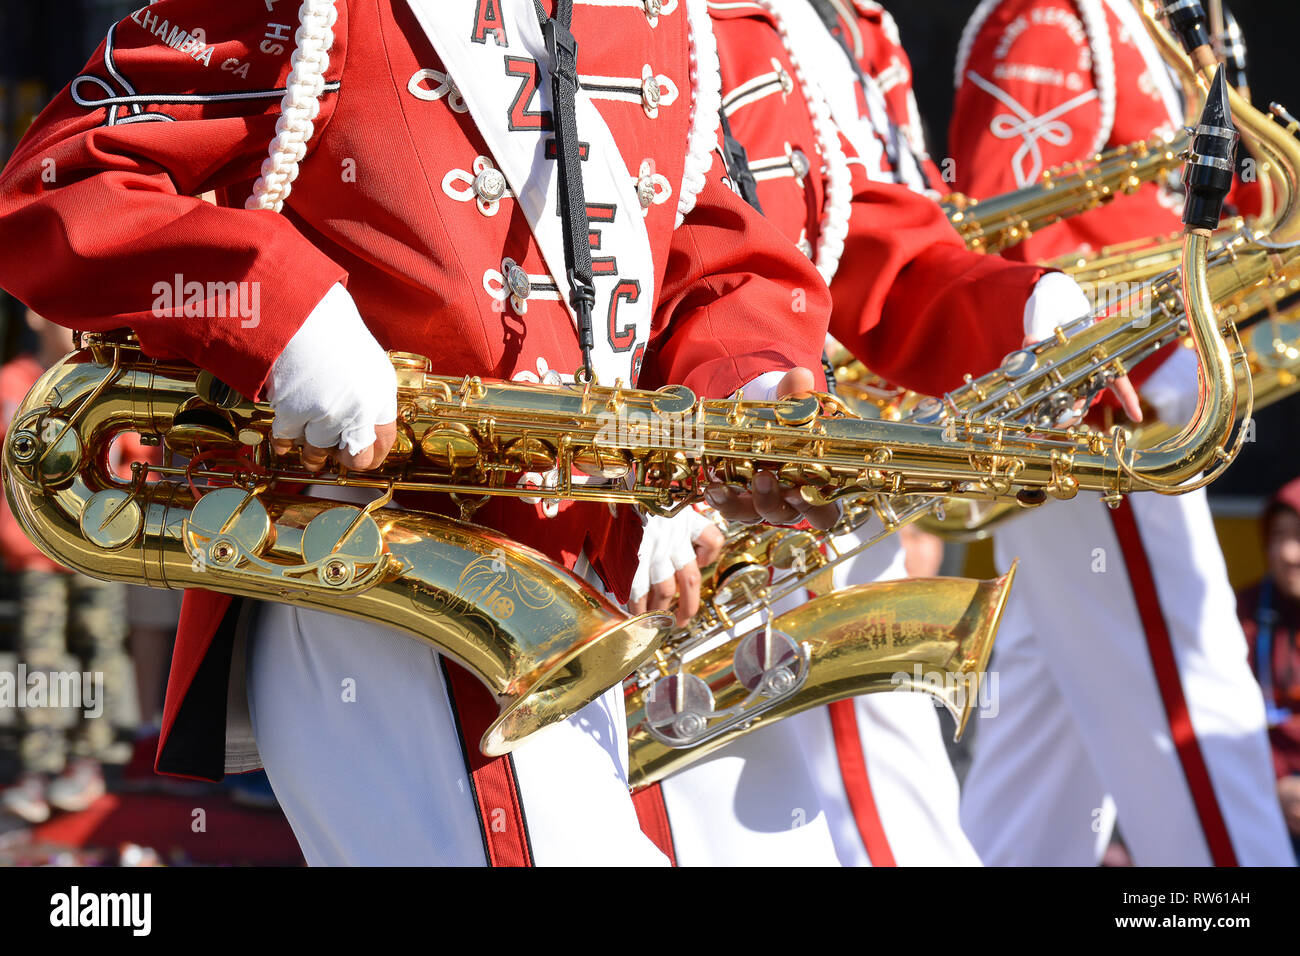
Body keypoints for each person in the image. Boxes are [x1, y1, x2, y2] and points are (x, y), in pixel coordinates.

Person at [0, 0, 840, 865]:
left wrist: (750, 387)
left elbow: (700, 251)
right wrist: (282, 314)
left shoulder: (659, 17)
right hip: (378, 569)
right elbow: (64, 182)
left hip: (586, 589)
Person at [628, 0, 1132, 866]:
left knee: (870, 820)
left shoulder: (769, 26)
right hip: (636, 517)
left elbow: (853, 238)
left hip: (780, 481)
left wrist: (1027, 309)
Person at [950, 0, 1294, 865]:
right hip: (1105, 426)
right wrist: (1148, 367)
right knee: (1192, 695)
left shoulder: (1145, 21)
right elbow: (1004, 231)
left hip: (1130, 410)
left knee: (1046, 755)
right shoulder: (1054, 18)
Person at [1, 310, 138, 824]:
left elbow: (132, 454)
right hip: (32, 553)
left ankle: (88, 762)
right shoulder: (10, 383)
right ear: (33, 318)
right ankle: (36, 770)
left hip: (96, 549)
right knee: (39, 659)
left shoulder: (99, 377)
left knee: (99, 647)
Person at [1237, 477, 1300, 859]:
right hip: (1264, 802)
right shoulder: (1239, 617)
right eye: (1279, 536)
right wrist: (1272, 784)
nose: (1290, 553)